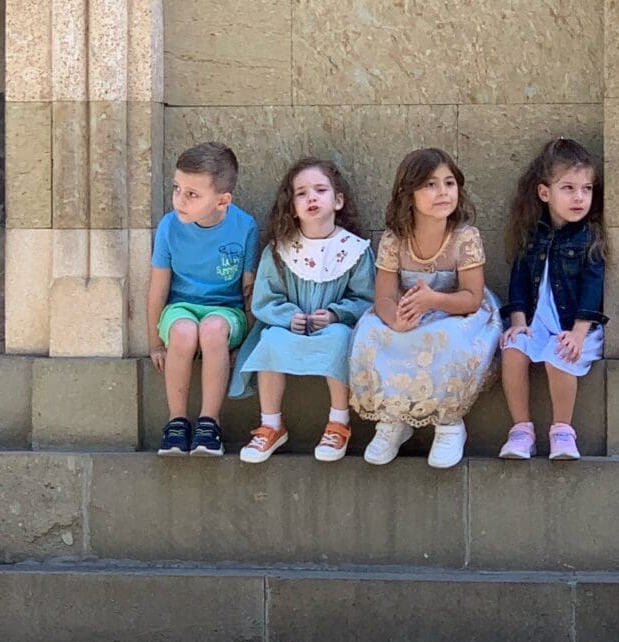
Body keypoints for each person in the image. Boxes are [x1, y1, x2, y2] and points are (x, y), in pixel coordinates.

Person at [349, 148, 501, 469]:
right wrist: (396, 320)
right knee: (371, 331)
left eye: (449, 183)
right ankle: (393, 418)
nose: (443, 192)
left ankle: (449, 423)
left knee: (448, 338)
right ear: (409, 194)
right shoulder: (394, 240)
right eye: (430, 185)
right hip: (410, 309)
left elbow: (472, 297)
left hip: (455, 310)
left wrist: (434, 300)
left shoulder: (465, 238)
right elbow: (385, 296)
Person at [232, 157, 375, 464]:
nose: (311, 197)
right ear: (291, 205)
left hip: (335, 327)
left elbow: (367, 298)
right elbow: (265, 299)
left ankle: (338, 421)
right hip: (288, 327)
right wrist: (287, 316)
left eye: (320, 190)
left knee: (340, 339)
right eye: (301, 193)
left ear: (338, 201)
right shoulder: (280, 250)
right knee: (270, 341)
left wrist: (337, 314)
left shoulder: (354, 250)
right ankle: (271, 425)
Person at [498, 137, 608, 462]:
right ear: (545, 193)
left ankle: (562, 430)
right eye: (569, 188)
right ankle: (521, 430)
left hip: (576, 327)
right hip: (536, 322)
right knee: (513, 351)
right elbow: (518, 280)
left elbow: (593, 287)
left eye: (586, 189)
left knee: (559, 357)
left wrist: (578, 332)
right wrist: (518, 323)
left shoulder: (589, 238)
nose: (579, 197)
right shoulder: (532, 236)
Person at [148, 141, 259, 458]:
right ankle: (177, 423)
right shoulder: (169, 226)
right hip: (180, 308)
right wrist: (155, 342)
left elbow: (248, 290)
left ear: (222, 200)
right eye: (177, 189)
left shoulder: (245, 227)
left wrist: (243, 343)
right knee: (182, 332)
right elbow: (158, 288)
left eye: (192, 194)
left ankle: (210, 424)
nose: (180, 200)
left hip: (226, 313)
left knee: (212, 328)